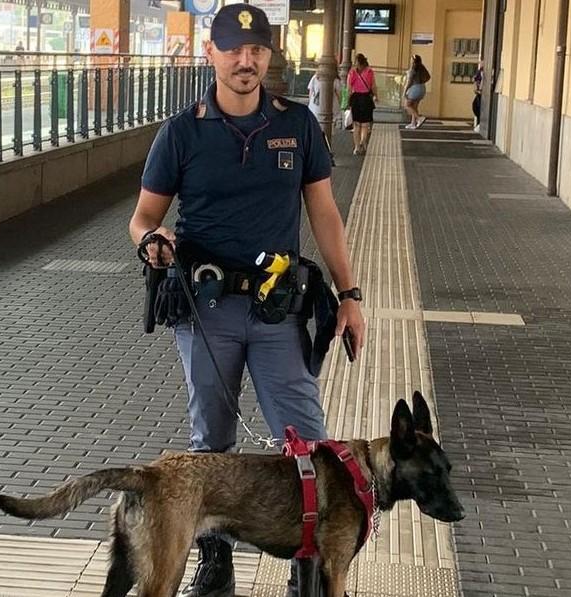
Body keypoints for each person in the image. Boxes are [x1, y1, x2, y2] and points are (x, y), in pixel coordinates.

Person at [128, 4, 366, 596]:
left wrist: (350, 294)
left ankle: (307, 564)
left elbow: (325, 213)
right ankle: (214, 560)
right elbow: (142, 219)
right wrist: (153, 241)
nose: (245, 59)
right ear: (211, 53)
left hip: (278, 308)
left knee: (306, 437)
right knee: (211, 438)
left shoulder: (297, 125)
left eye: (256, 48)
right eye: (233, 48)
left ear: (268, 55)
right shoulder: (181, 132)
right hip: (205, 311)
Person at [346, 53, 377, 155]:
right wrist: (375, 95)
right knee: (365, 125)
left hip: (356, 99)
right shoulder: (369, 71)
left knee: (356, 125)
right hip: (367, 98)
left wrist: (347, 100)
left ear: (357, 62)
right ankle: (363, 142)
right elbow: (373, 86)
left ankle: (357, 147)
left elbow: (349, 88)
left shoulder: (352, 73)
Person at [403, 54, 430, 129]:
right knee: (414, 107)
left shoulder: (412, 70)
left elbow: (409, 82)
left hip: (415, 88)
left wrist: (404, 92)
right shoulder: (422, 68)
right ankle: (413, 123)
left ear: (413, 62)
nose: (410, 61)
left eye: (411, 60)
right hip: (422, 88)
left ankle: (419, 118)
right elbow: (428, 77)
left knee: (407, 105)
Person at [472, 61, 484, 131]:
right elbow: (475, 79)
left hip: (482, 93)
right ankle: (479, 123)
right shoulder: (480, 71)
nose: (481, 65)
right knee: (475, 106)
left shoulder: (484, 71)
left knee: (479, 108)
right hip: (479, 92)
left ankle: (480, 124)